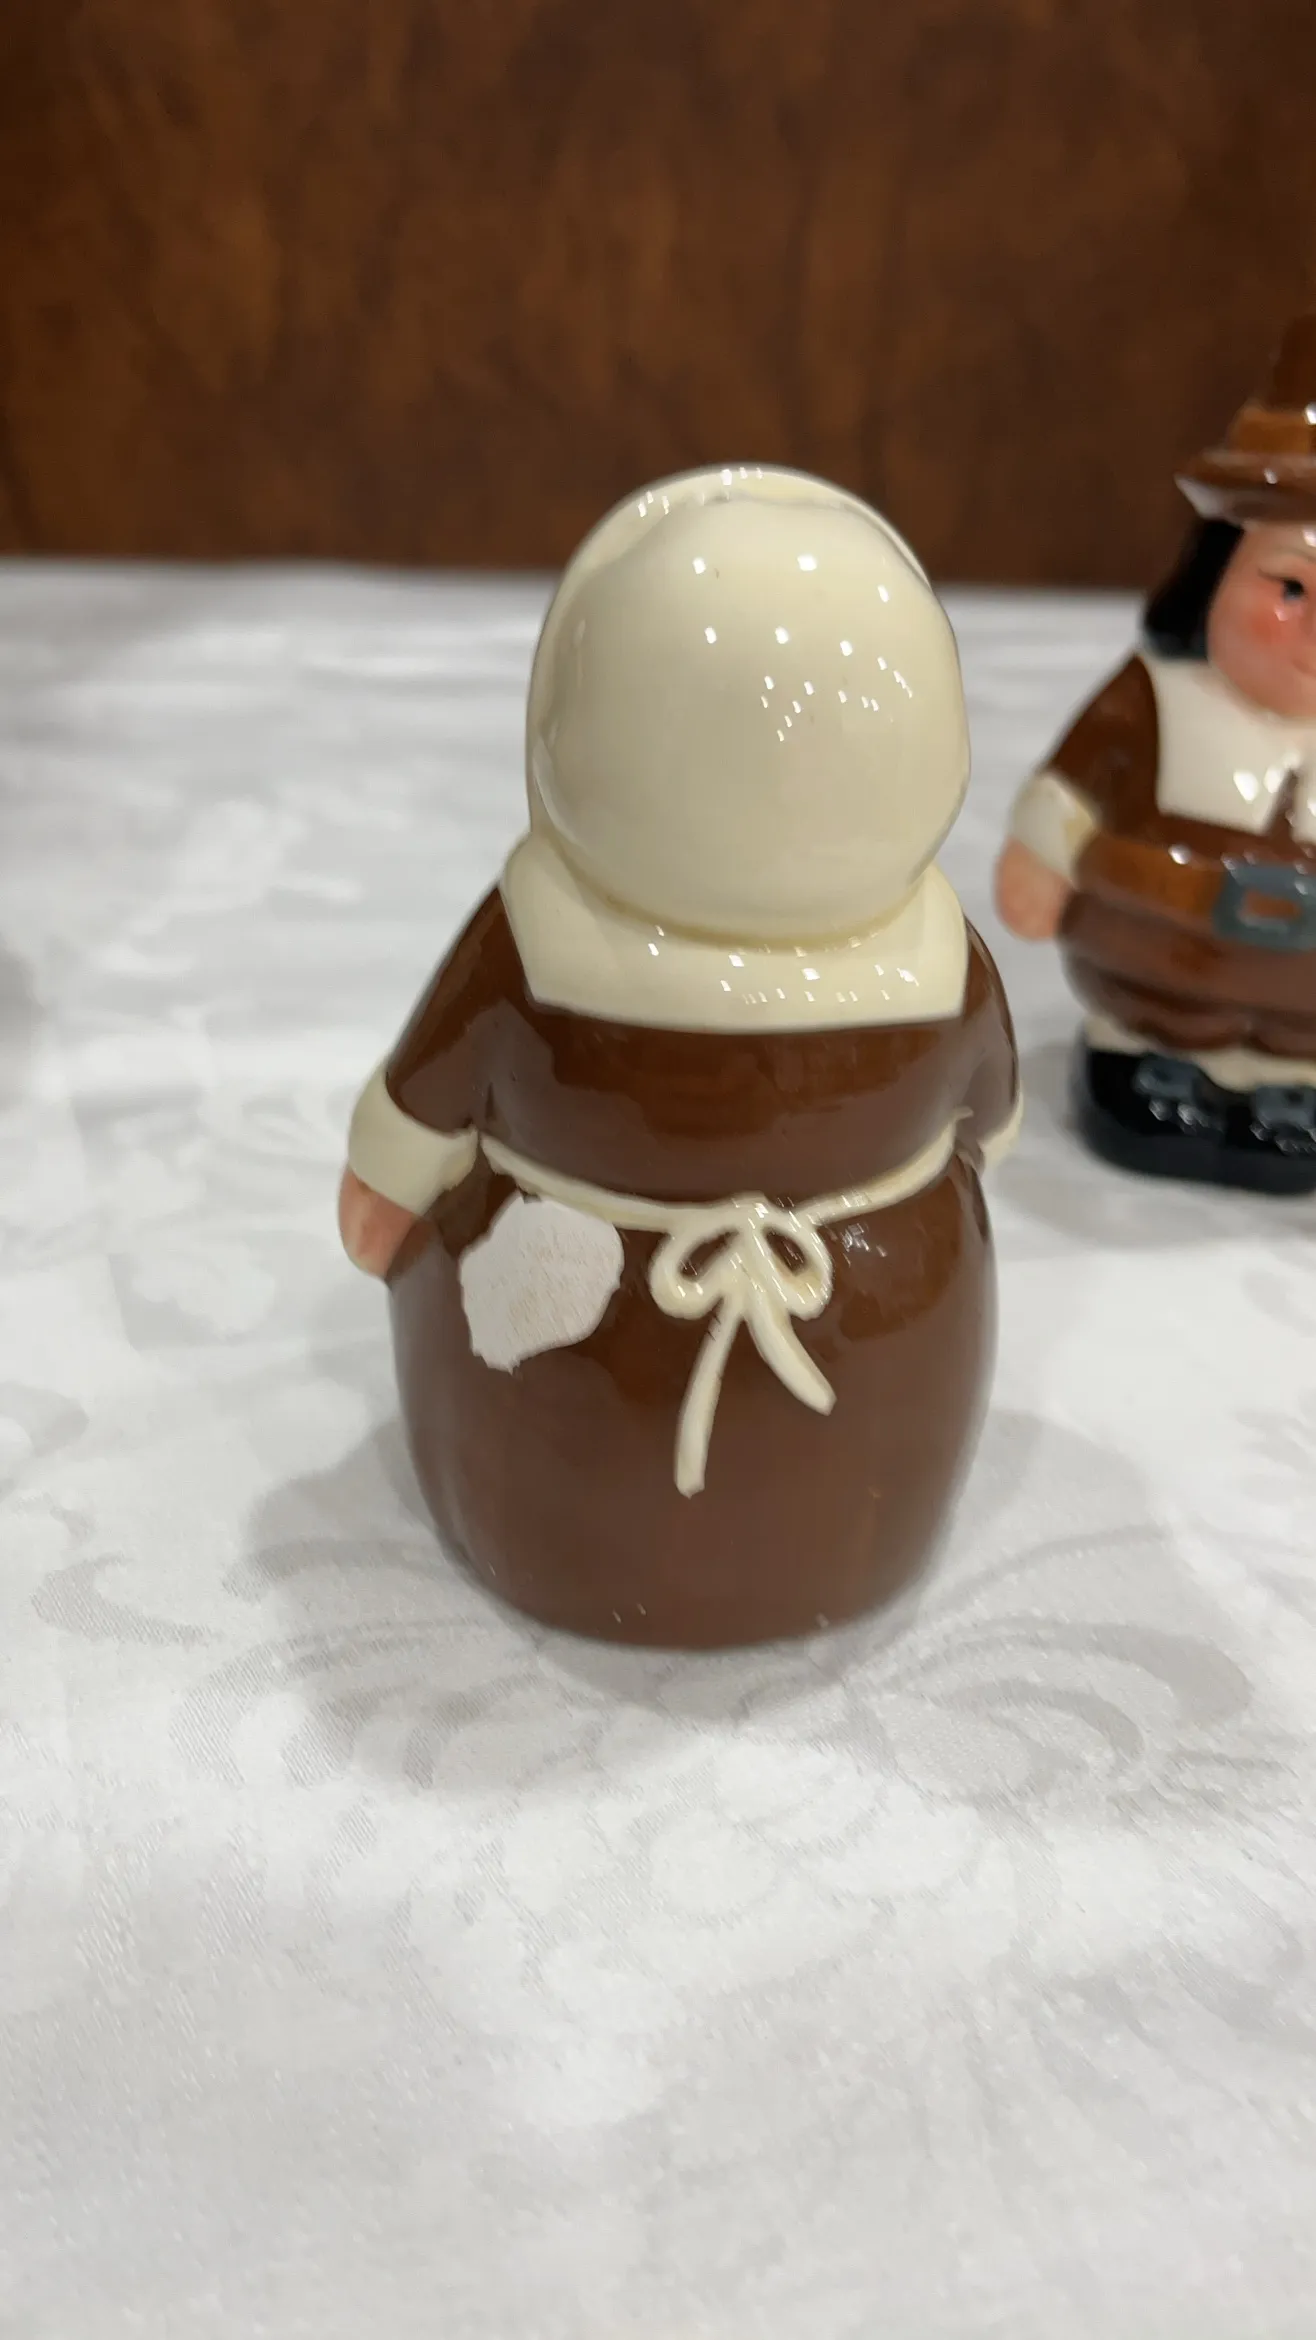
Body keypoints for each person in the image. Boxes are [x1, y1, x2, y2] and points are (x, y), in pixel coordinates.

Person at [340, 466, 1019, 1647]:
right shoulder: (938, 959)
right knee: (832, 1491)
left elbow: (419, 1110)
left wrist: (383, 1184)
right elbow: (991, 1126)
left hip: (572, 1340)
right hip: (868, 1330)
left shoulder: (528, 941)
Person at [997, 313, 1316, 1192]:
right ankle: (1148, 1064)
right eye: (1291, 588)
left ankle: (1291, 1087)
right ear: (1216, 572)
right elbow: (1073, 789)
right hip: (1151, 971)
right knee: (1157, 1043)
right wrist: (1043, 858)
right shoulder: (1152, 696)